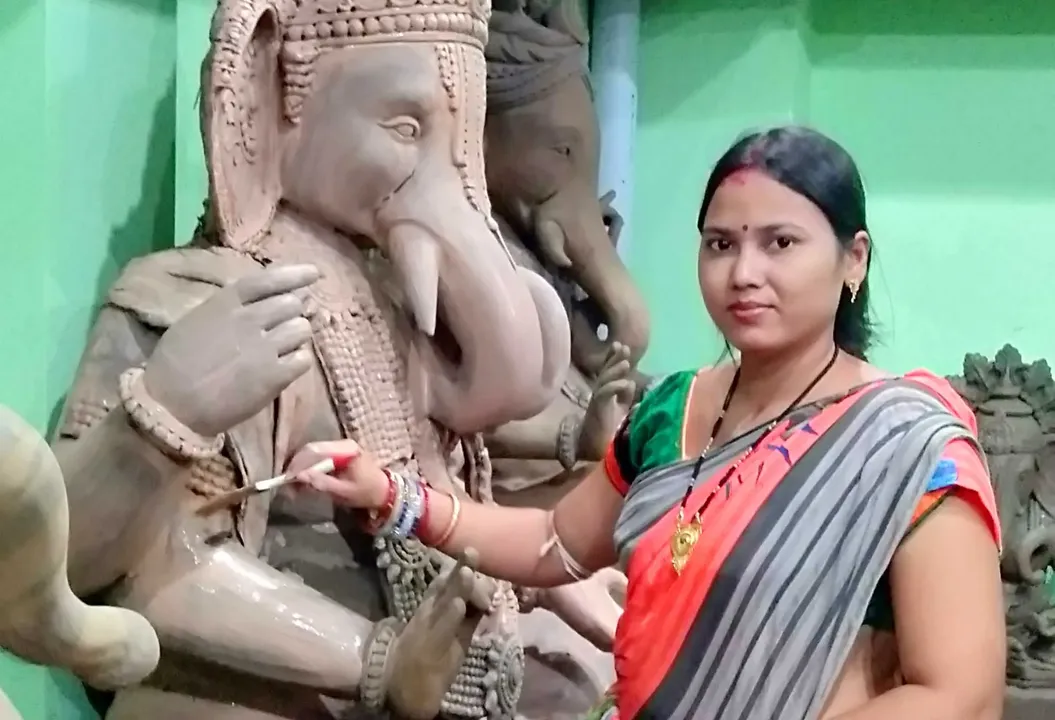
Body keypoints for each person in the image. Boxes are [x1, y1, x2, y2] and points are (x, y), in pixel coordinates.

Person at [286, 126, 1006, 719]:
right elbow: (552, 546)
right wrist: (393, 495)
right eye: (720, 244)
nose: (743, 273)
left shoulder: (907, 444)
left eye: (779, 244)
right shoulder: (673, 409)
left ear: (853, 259)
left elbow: (956, 694)